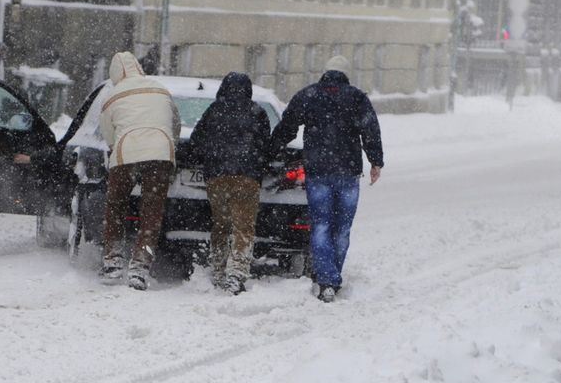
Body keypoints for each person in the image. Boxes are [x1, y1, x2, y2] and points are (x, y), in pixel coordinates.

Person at [270, 55, 384, 303]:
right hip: (348, 173)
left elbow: (288, 126)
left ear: (325, 72)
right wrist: (376, 161)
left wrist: (268, 150)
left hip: (318, 172)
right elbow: (370, 129)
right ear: (346, 73)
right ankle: (332, 277)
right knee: (342, 229)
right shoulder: (356, 97)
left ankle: (326, 279)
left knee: (320, 225)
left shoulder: (308, 95)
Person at [181, 72, 273, 295]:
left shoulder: (214, 110)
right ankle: (237, 273)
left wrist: (208, 158)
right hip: (246, 177)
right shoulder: (257, 112)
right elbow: (265, 146)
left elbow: (196, 142)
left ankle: (218, 269)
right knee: (243, 226)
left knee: (220, 224)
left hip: (217, 177)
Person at [98, 51, 181, 290]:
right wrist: (167, 147)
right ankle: (140, 267)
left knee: (115, 207)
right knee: (151, 214)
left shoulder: (112, 96)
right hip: (160, 156)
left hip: (126, 154)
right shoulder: (160, 89)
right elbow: (174, 124)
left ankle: (113, 260)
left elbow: (108, 135)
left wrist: (118, 150)